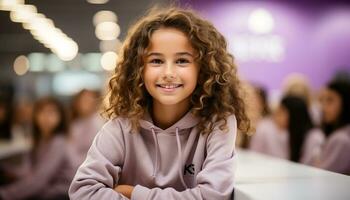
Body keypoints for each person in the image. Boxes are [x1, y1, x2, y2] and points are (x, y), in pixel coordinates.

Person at [69, 7, 249, 200]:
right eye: (156, 61)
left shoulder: (218, 123)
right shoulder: (120, 127)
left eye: (182, 60)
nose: (168, 73)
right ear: (139, 69)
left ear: (203, 69)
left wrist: (134, 193)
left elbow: (213, 196)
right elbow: (83, 191)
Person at [0, 97, 75, 200]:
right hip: (45, 188)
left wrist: (5, 194)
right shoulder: (39, 140)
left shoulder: (59, 142)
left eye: (51, 112)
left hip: (61, 193)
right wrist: (8, 171)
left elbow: (39, 180)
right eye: (41, 111)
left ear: (60, 117)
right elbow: (29, 171)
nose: (46, 117)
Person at [250, 96, 324, 164]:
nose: (275, 116)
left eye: (281, 112)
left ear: (293, 115)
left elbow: (308, 165)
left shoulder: (314, 137)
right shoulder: (287, 134)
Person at [317, 79, 350, 174]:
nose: (323, 107)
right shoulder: (339, 134)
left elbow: (322, 176)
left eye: (330, 100)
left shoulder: (341, 140)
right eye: (322, 100)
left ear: (346, 102)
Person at [69, 89, 105, 168]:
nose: (86, 103)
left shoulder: (100, 122)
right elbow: (70, 151)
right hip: (75, 167)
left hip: (95, 167)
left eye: (89, 100)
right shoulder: (74, 124)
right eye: (83, 100)